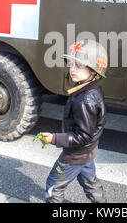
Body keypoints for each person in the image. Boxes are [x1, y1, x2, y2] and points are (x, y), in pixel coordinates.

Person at [40, 39, 107, 203]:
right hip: (87, 152)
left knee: (53, 188)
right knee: (90, 183)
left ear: (94, 70)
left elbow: (82, 135)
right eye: (71, 64)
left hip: (74, 155)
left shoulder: (86, 100)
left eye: (79, 65)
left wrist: (54, 138)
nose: (72, 69)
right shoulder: (91, 87)